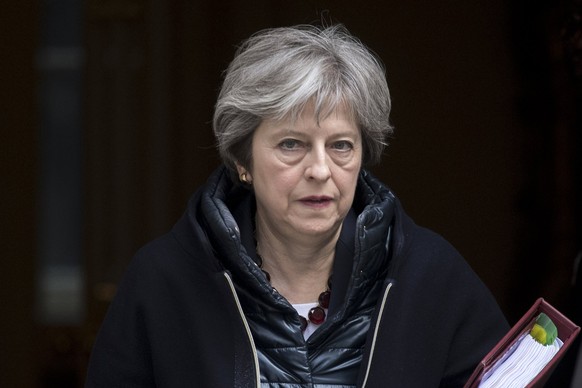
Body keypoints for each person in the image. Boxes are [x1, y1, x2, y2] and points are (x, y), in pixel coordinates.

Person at [86, 24, 509, 387]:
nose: (320, 169)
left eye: (341, 145)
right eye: (292, 144)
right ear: (242, 160)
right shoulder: (162, 282)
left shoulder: (431, 276)